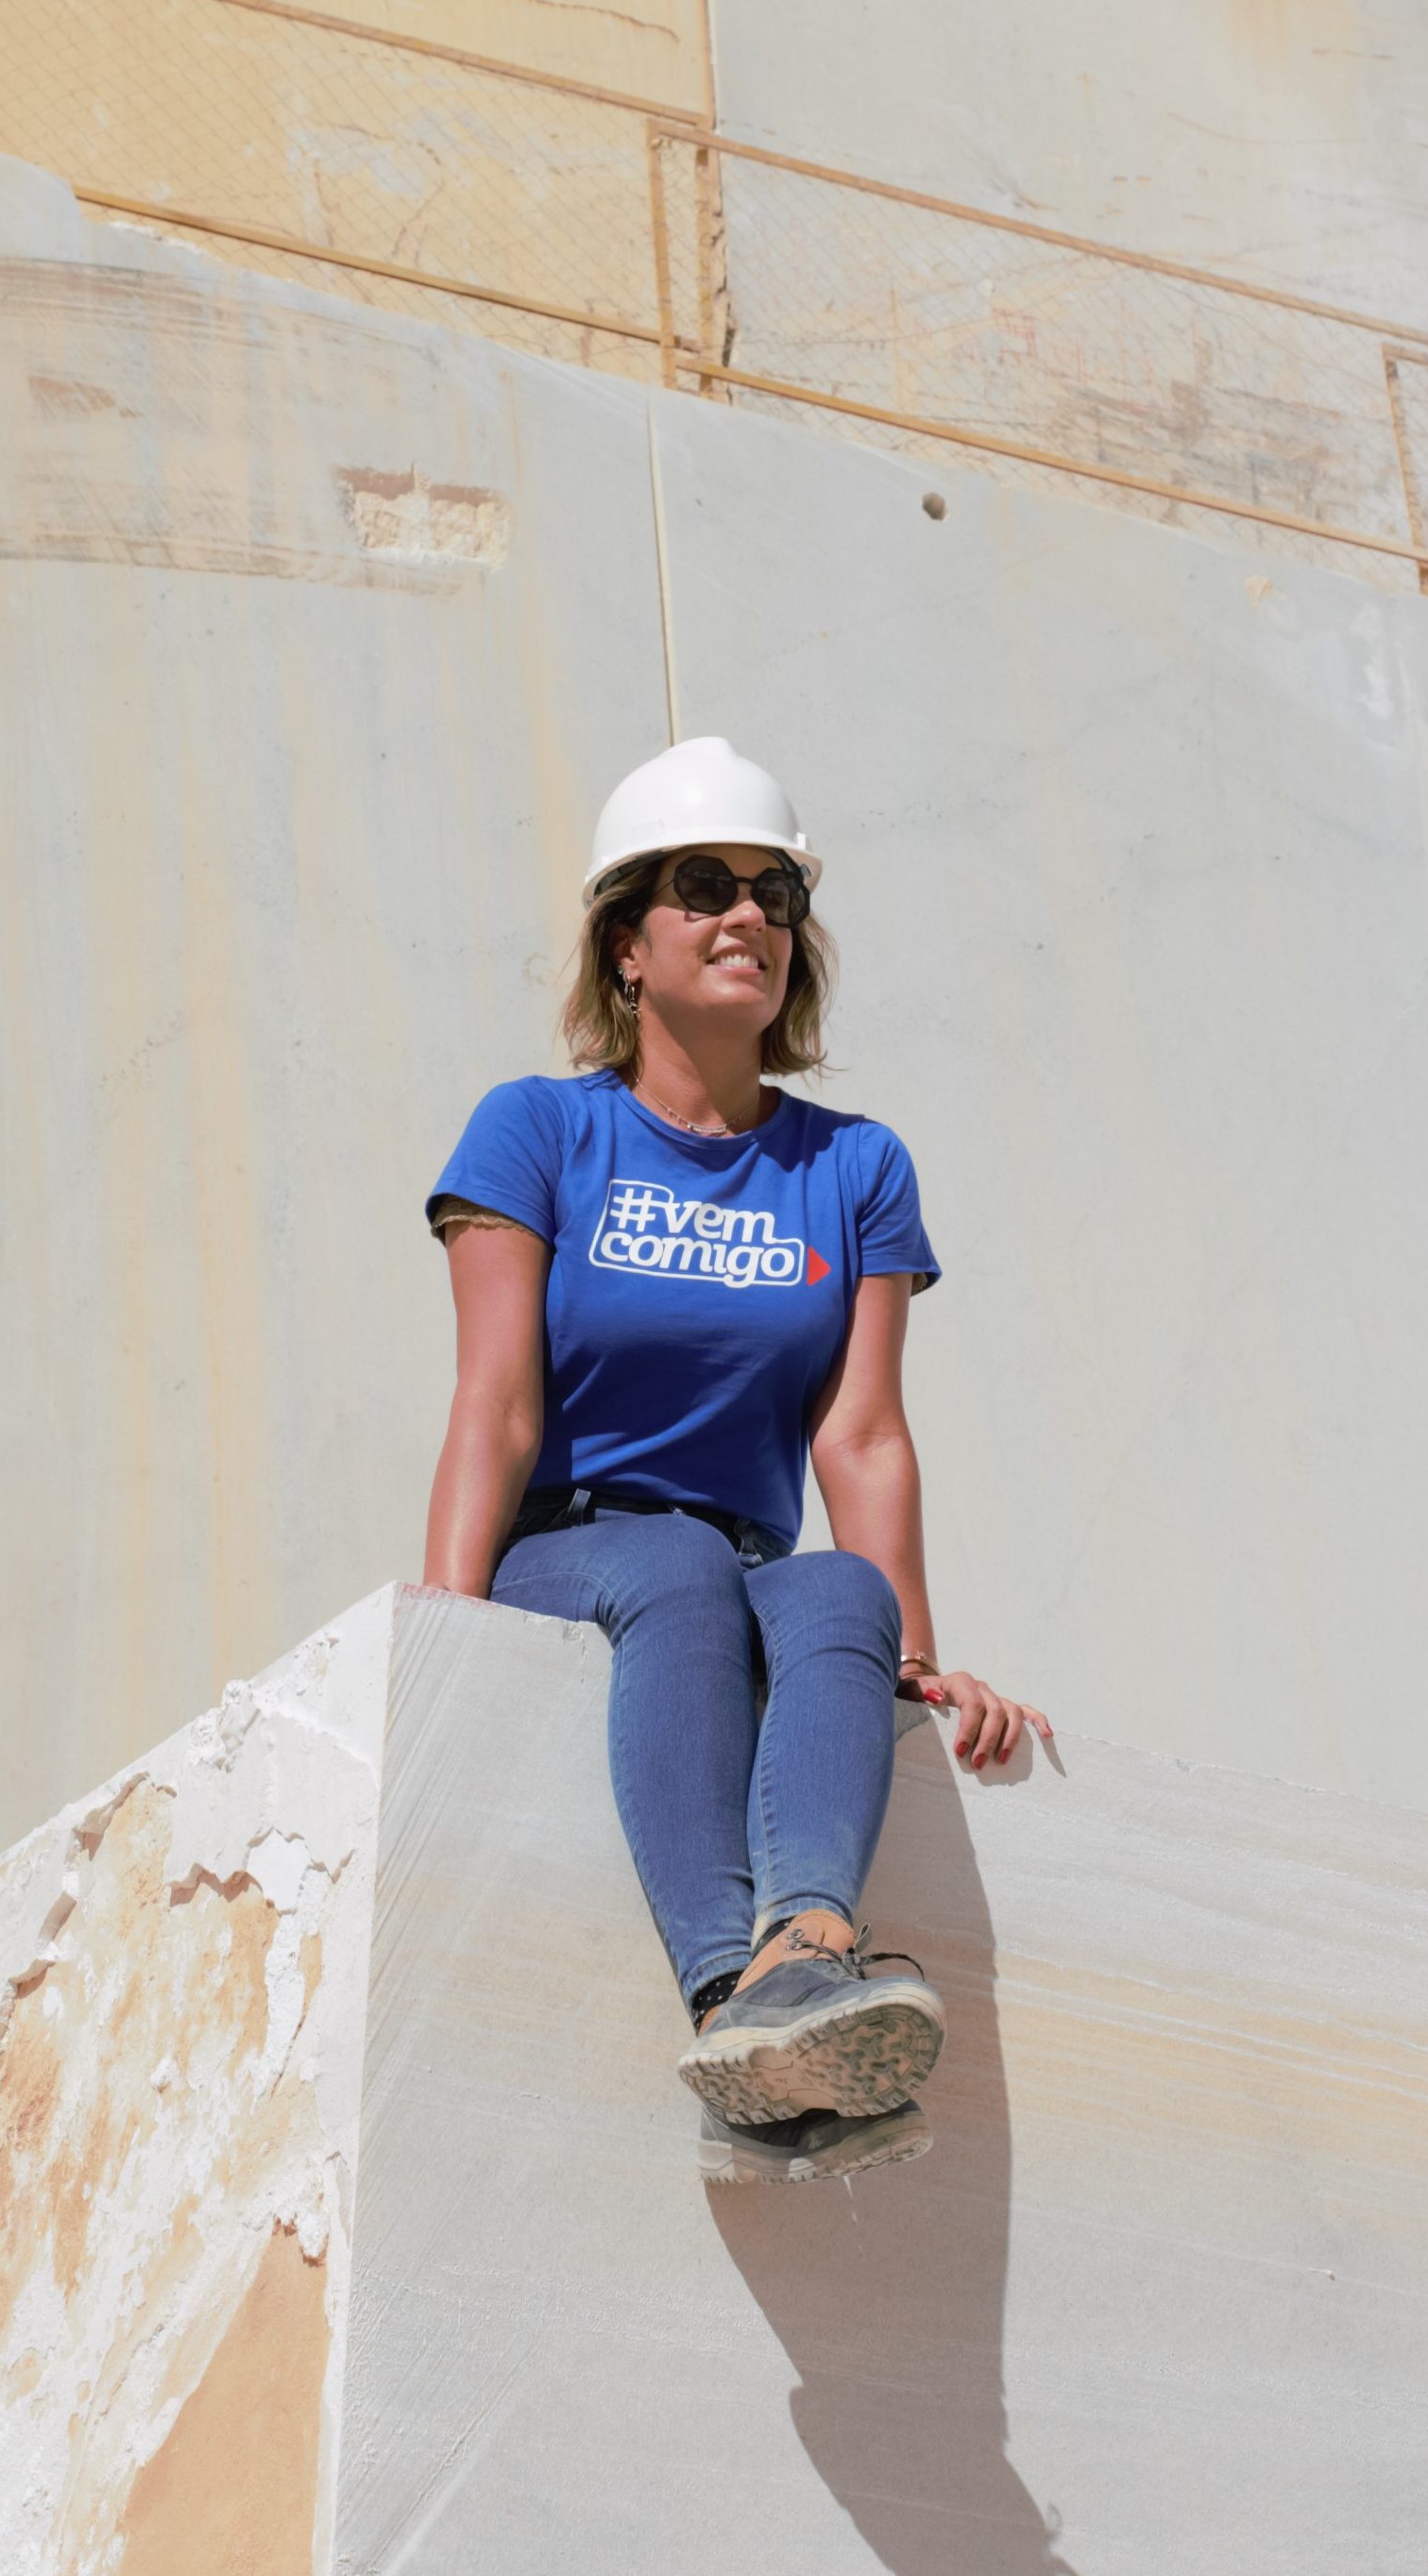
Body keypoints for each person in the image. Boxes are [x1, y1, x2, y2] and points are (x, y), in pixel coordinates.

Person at [419, 737, 1042, 2180]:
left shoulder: (853, 1166)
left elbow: (862, 1431)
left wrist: (921, 1665)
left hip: (738, 1575)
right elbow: (494, 1402)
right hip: (574, 1550)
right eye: (701, 887)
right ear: (626, 943)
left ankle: (805, 1953)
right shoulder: (539, 1130)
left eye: (773, 893)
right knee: (681, 1558)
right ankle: (725, 1985)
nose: (745, 916)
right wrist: (442, 1631)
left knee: (839, 1600)